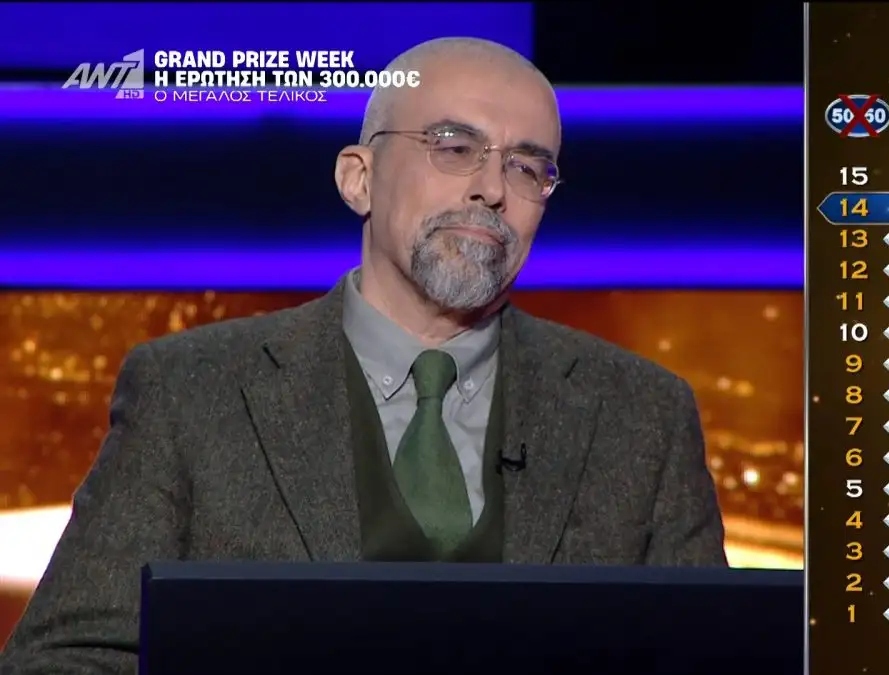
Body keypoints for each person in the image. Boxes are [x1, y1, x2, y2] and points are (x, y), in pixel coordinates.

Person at [0, 37, 726, 673]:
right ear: (359, 178)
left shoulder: (643, 416)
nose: (491, 189)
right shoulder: (190, 392)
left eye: (528, 169)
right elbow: (64, 659)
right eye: (454, 147)